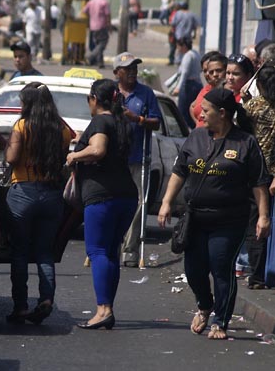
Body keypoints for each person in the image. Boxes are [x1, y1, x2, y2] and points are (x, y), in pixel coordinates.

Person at [158, 88, 270, 340]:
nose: (201, 115)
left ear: (222, 113)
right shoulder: (196, 137)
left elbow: (259, 183)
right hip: (196, 217)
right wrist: (166, 202)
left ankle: (220, 321)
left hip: (230, 220)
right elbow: (179, 171)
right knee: (194, 269)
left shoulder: (245, 143)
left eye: (205, 111)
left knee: (220, 265)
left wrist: (263, 216)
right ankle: (204, 305)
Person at [66, 79, 137, 330]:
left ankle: (103, 309)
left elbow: (97, 151)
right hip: (127, 195)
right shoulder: (122, 123)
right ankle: (108, 308)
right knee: (111, 251)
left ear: (94, 99)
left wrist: (75, 154)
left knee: (97, 251)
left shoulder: (100, 121)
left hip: (102, 196)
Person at [4, 82, 72, 325]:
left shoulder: (22, 126)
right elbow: (68, 144)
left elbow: (11, 158)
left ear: (29, 103)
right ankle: (46, 299)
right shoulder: (60, 129)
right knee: (45, 252)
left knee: (20, 251)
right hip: (52, 194)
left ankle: (20, 307)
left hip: (23, 191)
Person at [242, 66, 275, 290]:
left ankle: (257, 275)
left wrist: (243, 102)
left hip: (255, 172)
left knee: (256, 223)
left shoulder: (253, 106)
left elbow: (242, 127)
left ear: (259, 85)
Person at [112, 52, 163, 267]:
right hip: (115, 158)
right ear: (117, 72)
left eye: (135, 68)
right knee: (112, 202)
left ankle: (129, 247)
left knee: (139, 202)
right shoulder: (111, 92)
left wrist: (138, 119)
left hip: (138, 156)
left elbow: (156, 122)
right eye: (127, 68)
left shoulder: (146, 93)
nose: (133, 72)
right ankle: (112, 243)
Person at [189, 51, 227, 127]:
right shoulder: (206, 89)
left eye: (218, 70)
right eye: (205, 71)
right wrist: (198, 123)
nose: (208, 74)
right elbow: (192, 107)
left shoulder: (225, 93)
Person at [172, 37, 202, 128]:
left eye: (178, 46)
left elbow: (184, 73)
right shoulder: (196, 53)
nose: (178, 48)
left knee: (183, 111)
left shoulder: (187, 56)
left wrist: (178, 87)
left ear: (184, 46)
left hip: (188, 86)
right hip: (198, 84)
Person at [82, 0, 111, 69]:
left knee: (98, 43)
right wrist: (109, 26)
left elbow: (84, 11)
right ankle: (91, 56)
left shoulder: (91, 2)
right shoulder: (104, 2)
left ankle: (100, 62)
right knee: (102, 43)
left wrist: (90, 18)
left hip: (93, 27)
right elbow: (107, 15)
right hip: (102, 26)